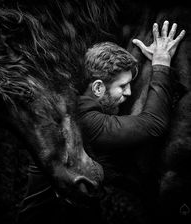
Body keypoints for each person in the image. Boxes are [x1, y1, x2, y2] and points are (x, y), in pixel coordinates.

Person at [76, 21, 185, 222]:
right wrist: (161, 65)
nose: (129, 92)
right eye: (123, 86)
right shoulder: (88, 121)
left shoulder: (84, 104)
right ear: (98, 88)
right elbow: (152, 124)